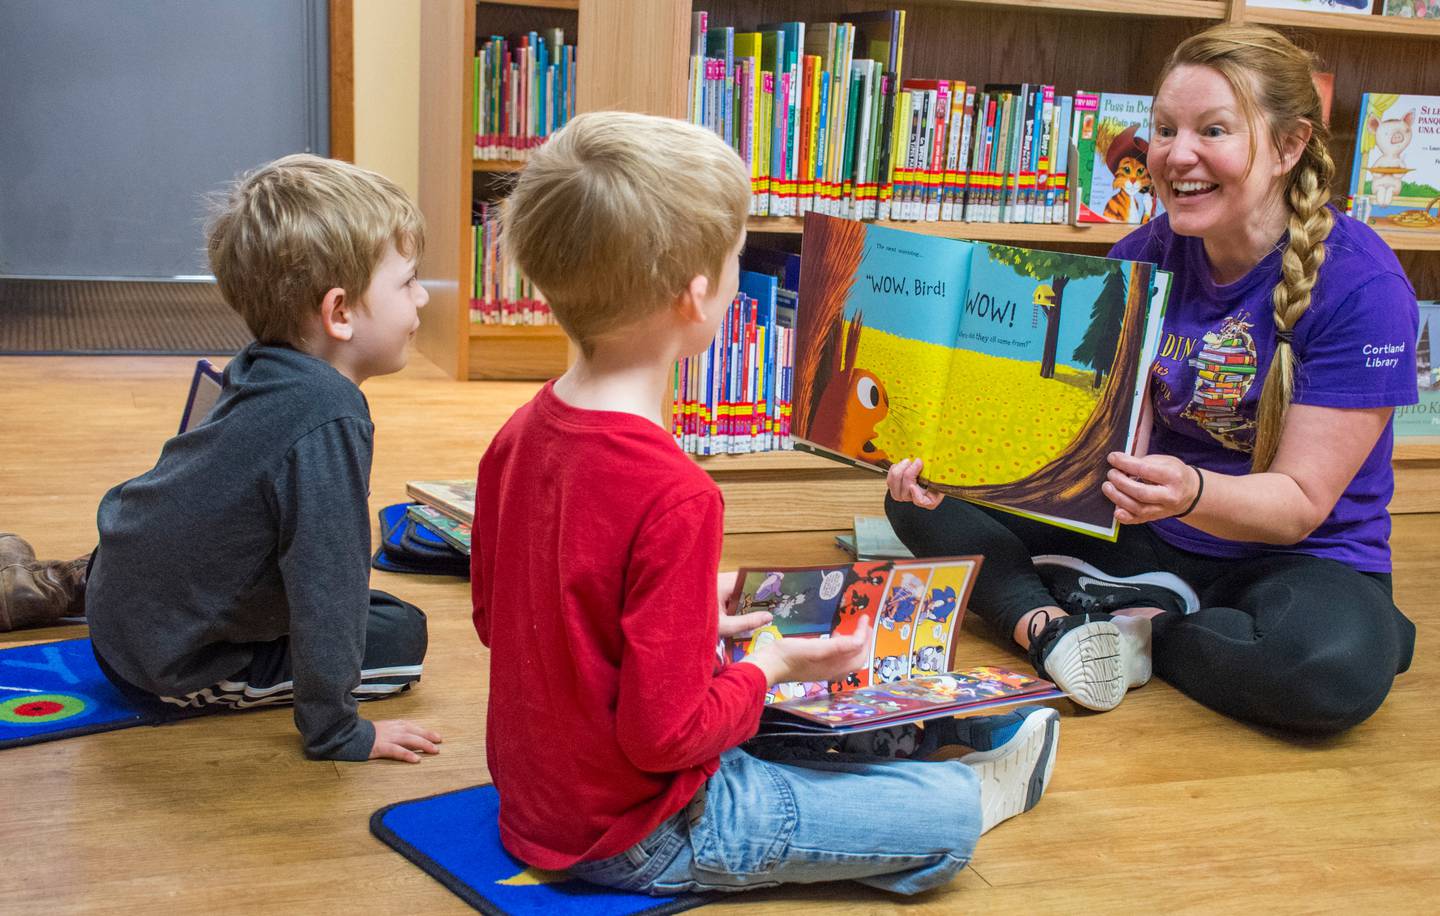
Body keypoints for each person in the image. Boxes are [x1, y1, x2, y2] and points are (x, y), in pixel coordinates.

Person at [471, 110, 1061, 897]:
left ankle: (885, 770)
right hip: (643, 831)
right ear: (697, 296)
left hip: (536, 803)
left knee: (785, 714)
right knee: (945, 813)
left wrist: (682, 619)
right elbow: (665, 737)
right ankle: (943, 795)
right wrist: (764, 665)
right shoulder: (675, 491)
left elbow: (501, 616)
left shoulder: (517, 435)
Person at [887, 24, 1418, 735]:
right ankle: (1050, 628)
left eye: (1214, 130)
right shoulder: (1141, 252)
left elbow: (1297, 505)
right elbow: (1089, 429)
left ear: (1290, 147)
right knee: (916, 499)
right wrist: (963, 459)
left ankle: (1141, 626)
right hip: (1141, 529)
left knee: (1325, 672)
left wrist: (1189, 492)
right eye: (1164, 129)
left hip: (1287, 556)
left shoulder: (1363, 287)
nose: (1176, 154)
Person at [1, 154, 442, 763]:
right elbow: (328, 583)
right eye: (408, 282)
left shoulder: (265, 363)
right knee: (404, 635)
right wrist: (340, 729)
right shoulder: (330, 415)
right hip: (169, 666)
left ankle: (57, 588)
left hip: (126, 610)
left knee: (378, 608)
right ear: (339, 312)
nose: (422, 298)